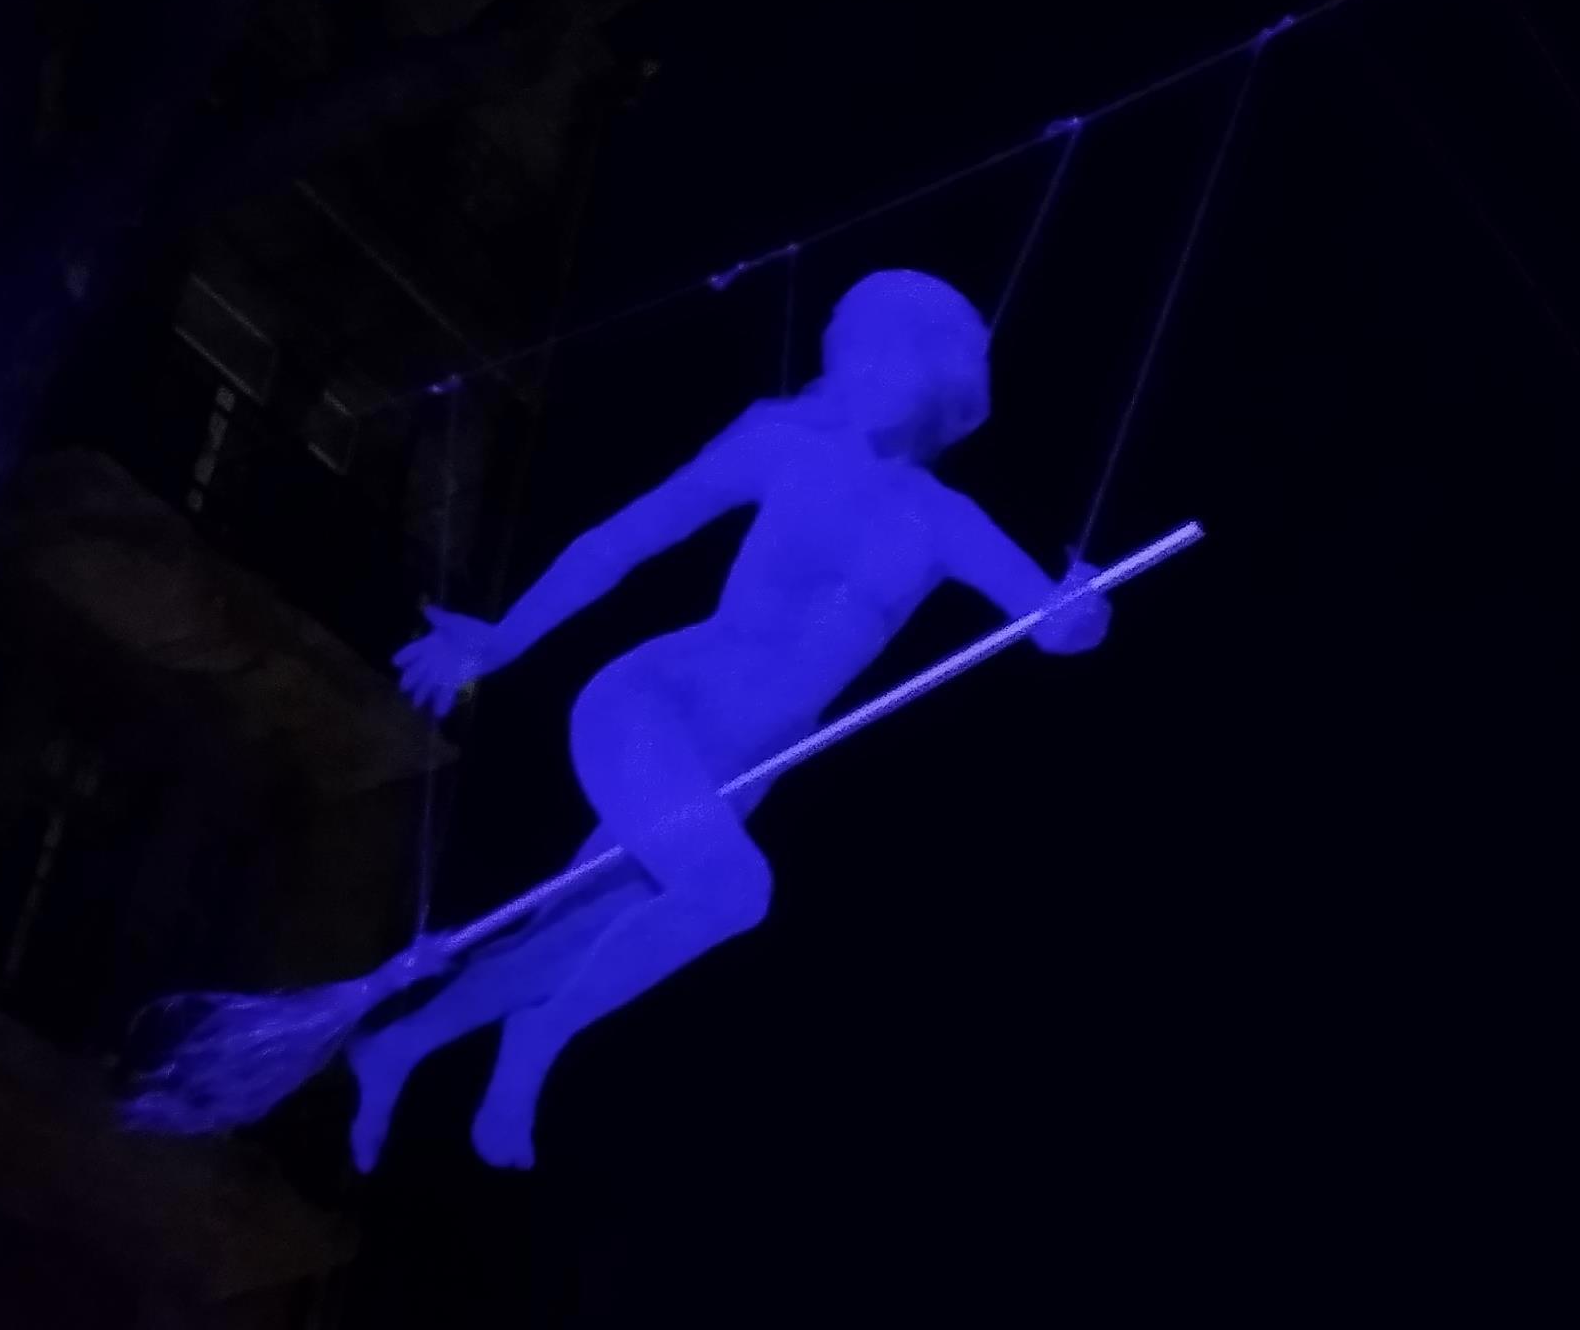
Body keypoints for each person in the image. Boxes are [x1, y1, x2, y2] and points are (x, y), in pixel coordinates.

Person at [350, 267, 1104, 1169]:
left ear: (937, 381)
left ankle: (398, 1047)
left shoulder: (946, 521)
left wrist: (1081, 610)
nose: (863, 372)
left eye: (891, 359)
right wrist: (502, 641)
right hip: (655, 707)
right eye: (855, 351)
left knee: (567, 938)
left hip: (740, 766)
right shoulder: (783, 440)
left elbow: (1051, 624)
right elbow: (624, 539)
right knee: (733, 890)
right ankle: (534, 1050)